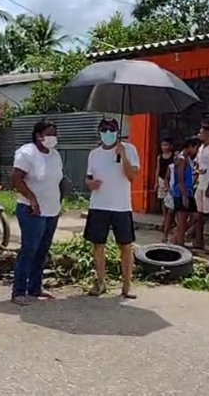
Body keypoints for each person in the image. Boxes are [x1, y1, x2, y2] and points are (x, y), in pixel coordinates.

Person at [9, 120, 63, 305]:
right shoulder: (27, 153)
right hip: (31, 210)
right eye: (49, 133)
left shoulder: (55, 155)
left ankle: (35, 287)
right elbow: (16, 179)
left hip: (52, 210)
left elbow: (57, 181)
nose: (53, 137)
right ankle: (18, 291)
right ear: (39, 135)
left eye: (55, 133)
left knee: (42, 251)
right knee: (29, 249)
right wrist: (32, 199)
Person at [84, 118, 139, 298]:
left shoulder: (129, 149)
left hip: (121, 206)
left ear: (118, 131)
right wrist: (91, 183)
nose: (108, 133)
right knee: (98, 245)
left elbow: (132, 176)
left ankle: (127, 285)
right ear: (99, 132)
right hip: (98, 205)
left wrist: (122, 155)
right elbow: (87, 178)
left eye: (112, 129)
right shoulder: (94, 154)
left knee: (126, 245)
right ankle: (100, 282)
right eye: (105, 129)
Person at [171, 137, 200, 246]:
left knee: (196, 217)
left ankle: (177, 235)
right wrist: (184, 196)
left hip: (189, 191)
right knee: (182, 219)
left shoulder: (188, 159)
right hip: (182, 193)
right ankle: (180, 243)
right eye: (195, 147)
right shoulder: (182, 159)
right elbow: (180, 178)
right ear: (190, 147)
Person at [156, 138, 176, 242]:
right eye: (163, 145)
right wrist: (156, 182)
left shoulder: (174, 156)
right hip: (161, 179)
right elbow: (158, 169)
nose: (164, 147)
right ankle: (165, 219)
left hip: (171, 181)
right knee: (163, 200)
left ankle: (169, 222)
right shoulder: (160, 157)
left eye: (166, 145)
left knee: (170, 204)